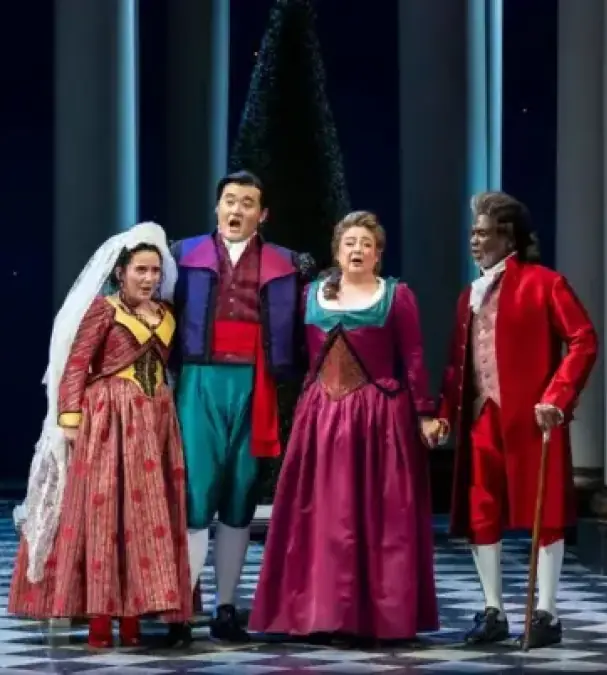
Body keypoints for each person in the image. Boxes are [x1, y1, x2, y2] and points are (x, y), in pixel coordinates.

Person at [250, 211, 440, 644]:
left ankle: (372, 618)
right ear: (337, 251)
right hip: (321, 416)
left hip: (376, 418)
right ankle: (318, 613)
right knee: (321, 517)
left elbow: (413, 358)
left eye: (366, 244)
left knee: (374, 517)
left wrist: (425, 413)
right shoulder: (312, 294)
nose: (358, 250)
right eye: (350, 243)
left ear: (378, 254)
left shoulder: (396, 297)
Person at [8, 223, 192, 648]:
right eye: (140, 270)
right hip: (110, 418)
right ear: (121, 272)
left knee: (146, 518)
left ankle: (136, 612)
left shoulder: (165, 313)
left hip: (156, 419)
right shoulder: (104, 311)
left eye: (155, 271)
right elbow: (76, 365)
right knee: (105, 513)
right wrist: (69, 419)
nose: (148, 278)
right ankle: (100, 617)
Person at [430, 191, 597, 650]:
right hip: (481, 417)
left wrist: (557, 397)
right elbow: (456, 366)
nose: (474, 241)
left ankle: (546, 612)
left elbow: (583, 339)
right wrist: (443, 414)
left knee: (546, 510)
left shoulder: (545, 284)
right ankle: (494, 610)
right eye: (472, 232)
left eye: (483, 233)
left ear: (508, 238)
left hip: (534, 417)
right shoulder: (469, 295)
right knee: (482, 510)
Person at [169, 170, 314, 643]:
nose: (236, 209)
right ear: (217, 207)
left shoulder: (287, 264)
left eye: (247, 203)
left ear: (262, 214)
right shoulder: (181, 256)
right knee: (195, 493)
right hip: (200, 382)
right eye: (230, 200)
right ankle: (180, 609)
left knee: (240, 494)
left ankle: (226, 606)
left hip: (257, 385)